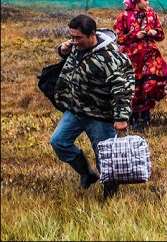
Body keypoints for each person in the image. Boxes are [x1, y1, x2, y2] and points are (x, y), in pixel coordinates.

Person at [50, 14, 134, 199]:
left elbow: (122, 88)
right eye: (71, 37)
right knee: (58, 142)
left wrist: (121, 118)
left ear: (92, 34)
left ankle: (110, 195)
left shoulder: (109, 57)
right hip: (76, 109)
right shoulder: (76, 46)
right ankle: (87, 174)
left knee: (105, 157)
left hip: (100, 115)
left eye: (78, 37)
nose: (74, 41)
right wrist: (63, 50)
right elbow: (72, 59)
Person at [113, 0, 167, 130]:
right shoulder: (124, 16)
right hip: (132, 57)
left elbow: (161, 35)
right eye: (145, 0)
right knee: (135, 87)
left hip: (150, 55)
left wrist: (153, 33)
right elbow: (117, 38)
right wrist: (133, 36)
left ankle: (146, 111)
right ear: (137, 0)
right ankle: (135, 118)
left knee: (151, 83)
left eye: (148, 0)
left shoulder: (151, 13)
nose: (148, 3)